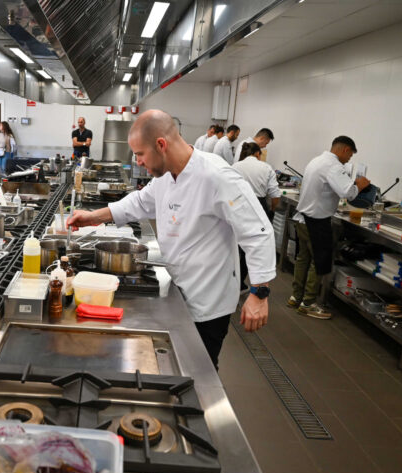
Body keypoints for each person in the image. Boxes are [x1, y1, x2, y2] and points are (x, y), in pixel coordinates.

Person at [67, 110, 275, 369]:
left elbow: (258, 231)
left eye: (140, 154)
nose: (138, 161)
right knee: (178, 365)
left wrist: (259, 293)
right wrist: (93, 217)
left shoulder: (217, 175)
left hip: (208, 299)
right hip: (179, 287)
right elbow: (140, 202)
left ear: (161, 145)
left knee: (200, 371)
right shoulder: (166, 175)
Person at [289, 136, 370, 319]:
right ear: (345, 150)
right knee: (318, 262)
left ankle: (296, 297)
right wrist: (359, 185)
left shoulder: (316, 161)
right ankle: (308, 304)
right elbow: (347, 192)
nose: (348, 160)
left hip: (302, 218)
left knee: (303, 259)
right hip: (317, 222)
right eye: (350, 155)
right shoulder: (334, 166)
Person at [233, 142, 281, 291]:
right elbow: (275, 195)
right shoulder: (266, 168)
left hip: (238, 205)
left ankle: (231, 280)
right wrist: (272, 210)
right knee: (254, 246)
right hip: (258, 206)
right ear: (258, 154)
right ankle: (242, 283)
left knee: (235, 245)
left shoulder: (235, 166)